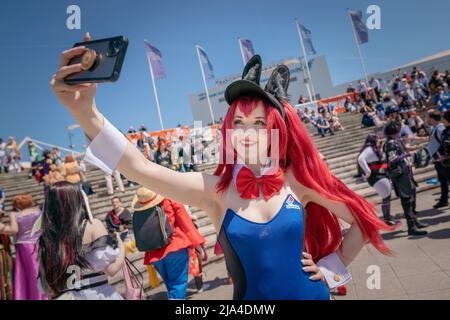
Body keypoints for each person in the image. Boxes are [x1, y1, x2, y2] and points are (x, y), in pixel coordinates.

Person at [51, 39, 394, 300]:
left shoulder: (295, 182)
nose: (247, 132)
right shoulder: (215, 190)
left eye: (259, 122)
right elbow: (141, 168)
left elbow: (362, 218)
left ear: (277, 130)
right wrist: (86, 114)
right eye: (239, 122)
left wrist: (331, 269)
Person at [39, 182, 125, 299]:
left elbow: (45, 286)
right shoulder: (93, 225)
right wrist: (122, 246)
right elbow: (112, 269)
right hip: (96, 293)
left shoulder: (46, 236)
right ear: (77, 200)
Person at [132, 187, 205, 299]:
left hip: (154, 254)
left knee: (171, 286)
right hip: (175, 247)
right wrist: (197, 244)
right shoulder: (169, 198)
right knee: (177, 286)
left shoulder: (140, 209)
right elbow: (186, 223)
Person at [384, 122, 428, 236]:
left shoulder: (395, 141)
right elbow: (392, 159)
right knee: (406, 199)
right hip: (400, 174)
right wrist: (406, 155)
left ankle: (415, 222)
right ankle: (411, 227)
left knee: (410, 196)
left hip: (405, 171)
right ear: (395, 132)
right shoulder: (390, 144)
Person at [6, 195, 48, 300]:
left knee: (26, 274)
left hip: (24, 246)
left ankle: (27, 296)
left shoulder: (15, 214)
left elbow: (14, 230)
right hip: (39, 243)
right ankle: (42, 295)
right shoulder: (38, 210)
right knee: (38, 271)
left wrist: (2, 227)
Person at [358, 134, 398, 225]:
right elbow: (360, 159)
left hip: (381, 175)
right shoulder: (369, 149)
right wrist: (367, 172)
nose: (380, 140)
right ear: (372, 140)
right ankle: (387, 218)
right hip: (377, 176)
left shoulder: (375, 149)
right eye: (378, 139)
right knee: (386, 198)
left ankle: (387, 217)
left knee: (386, 198)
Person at [426, 110, 449, 208]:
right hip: (438, 160)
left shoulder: (440, 128)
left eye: (428, 117)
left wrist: (442, 155)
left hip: (443, 160)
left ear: (432, 119)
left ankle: (444, 200)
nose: (427, 119)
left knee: (447, 179)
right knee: (442, 180)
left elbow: (445, 143)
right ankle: (444, 200)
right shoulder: (435, 128)